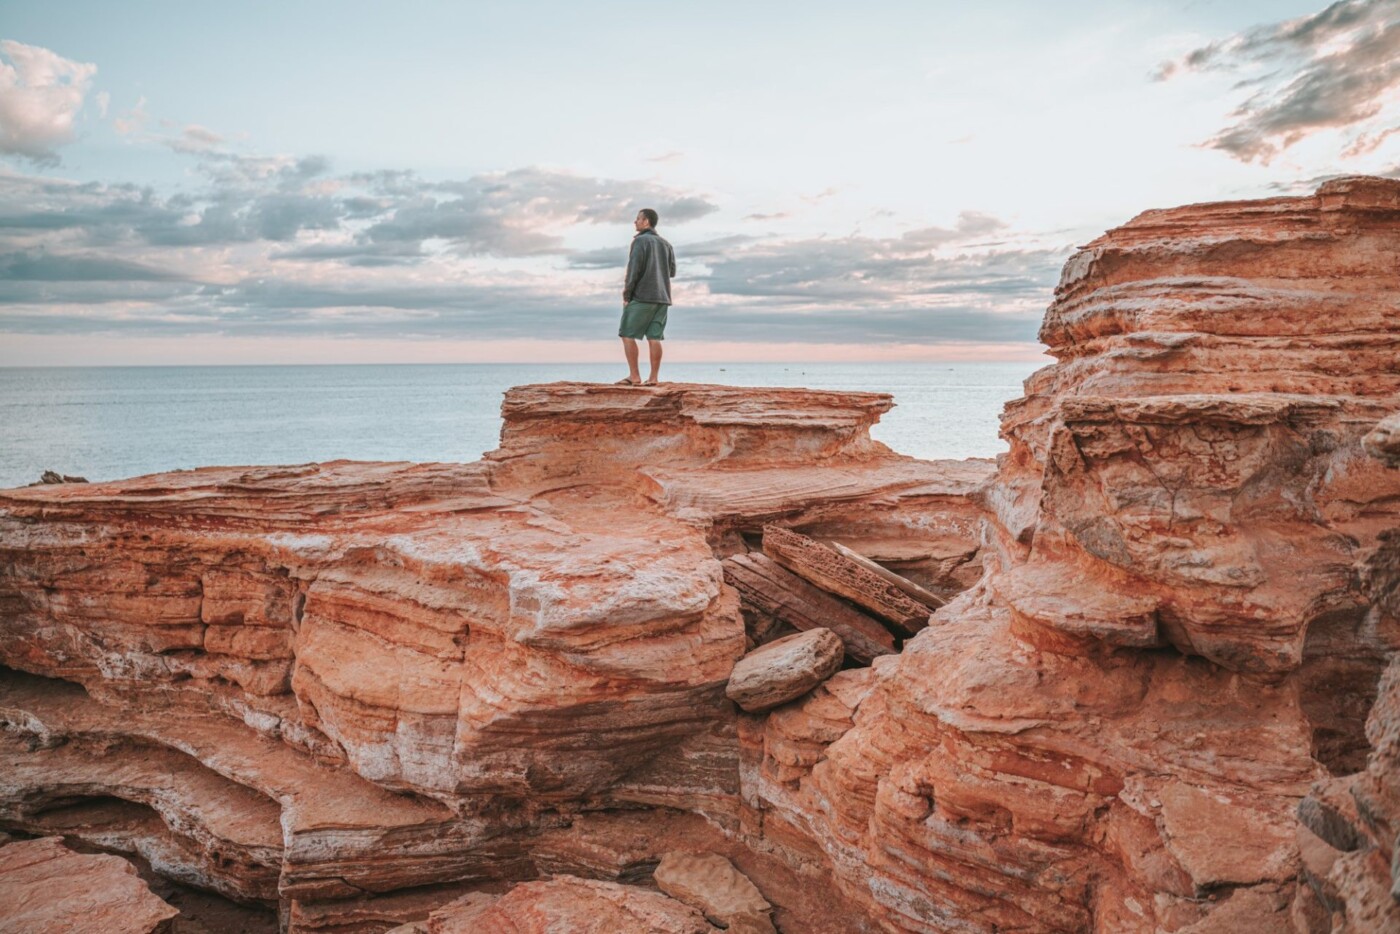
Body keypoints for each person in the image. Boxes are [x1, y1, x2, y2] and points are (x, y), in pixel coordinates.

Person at [617, 207, 676, 386]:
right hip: (663, 297)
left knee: (627, 334)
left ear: (646, 222)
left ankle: (634, 376)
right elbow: (671, 272)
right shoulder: (666, 244)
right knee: (654, 337)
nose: (635, 222)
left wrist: (627, 294)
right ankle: (653, 378)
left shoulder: (640, 241)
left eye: (638, 219)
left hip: (642, 295)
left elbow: (634, 270)